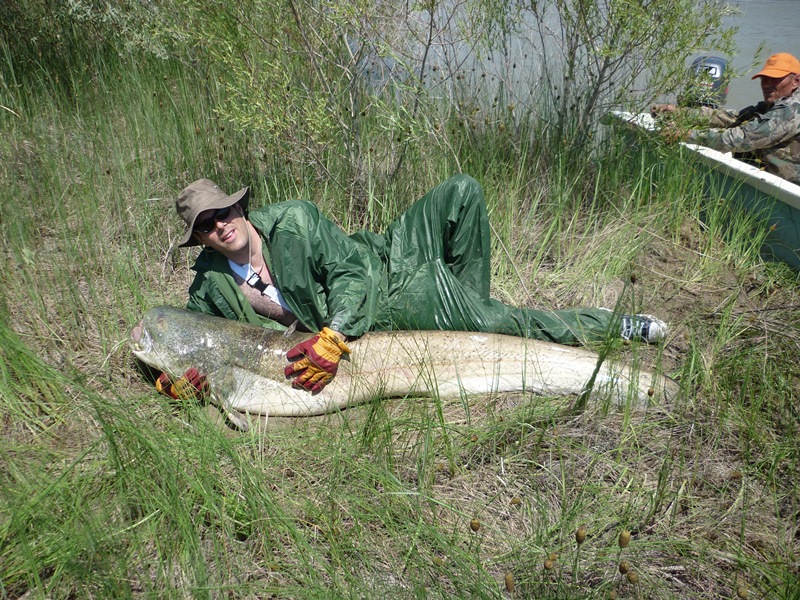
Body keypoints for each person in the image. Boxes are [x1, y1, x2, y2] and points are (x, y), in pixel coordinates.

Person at [154, 175, 668, 399]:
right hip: (390, 304)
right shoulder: (209, 288)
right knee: (499, 324)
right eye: (206, 225)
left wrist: (334, 334)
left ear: (239, 206)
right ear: (199, 239)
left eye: (223, 212)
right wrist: (176, 381)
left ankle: (469, 319)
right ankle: (611, 326)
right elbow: (200, 341)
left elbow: (349, 272)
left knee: (462, 191)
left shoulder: (294, 221)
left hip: (380, 258)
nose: (220, 226)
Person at [652, 52, 800, 185]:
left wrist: (686, 135)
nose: (767, 84)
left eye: (775, 79)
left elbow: (743, 138)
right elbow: (731, 118)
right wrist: (679, 112)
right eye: (764, 78)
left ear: (796, 81)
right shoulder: (773, 105)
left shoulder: (792, 109)